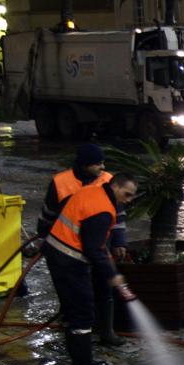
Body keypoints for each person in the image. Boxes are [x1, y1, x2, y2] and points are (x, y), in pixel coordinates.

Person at [43, 174, 140, 365]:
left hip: (57, 252)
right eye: (127, 194)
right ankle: (84, 363)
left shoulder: (92, 191)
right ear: (115, 187)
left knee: (73, 310)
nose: (129, 200)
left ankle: (78, 357)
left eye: (132, 196)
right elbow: (93, 249)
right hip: (70, 260)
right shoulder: (103, 210)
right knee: (83, 313)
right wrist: (112, 275)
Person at [36, 143, 130, 347]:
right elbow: (48, 215)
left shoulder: (108, 180)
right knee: (74, 295)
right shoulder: (61, 182)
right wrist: (44, 240)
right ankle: (76, 332)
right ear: (84, 164)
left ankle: (106, 331)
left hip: (100, 246)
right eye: (97, 164)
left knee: (104, 288)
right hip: (71, 251)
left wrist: (120, 241)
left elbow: (119, 214)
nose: (102, 167)